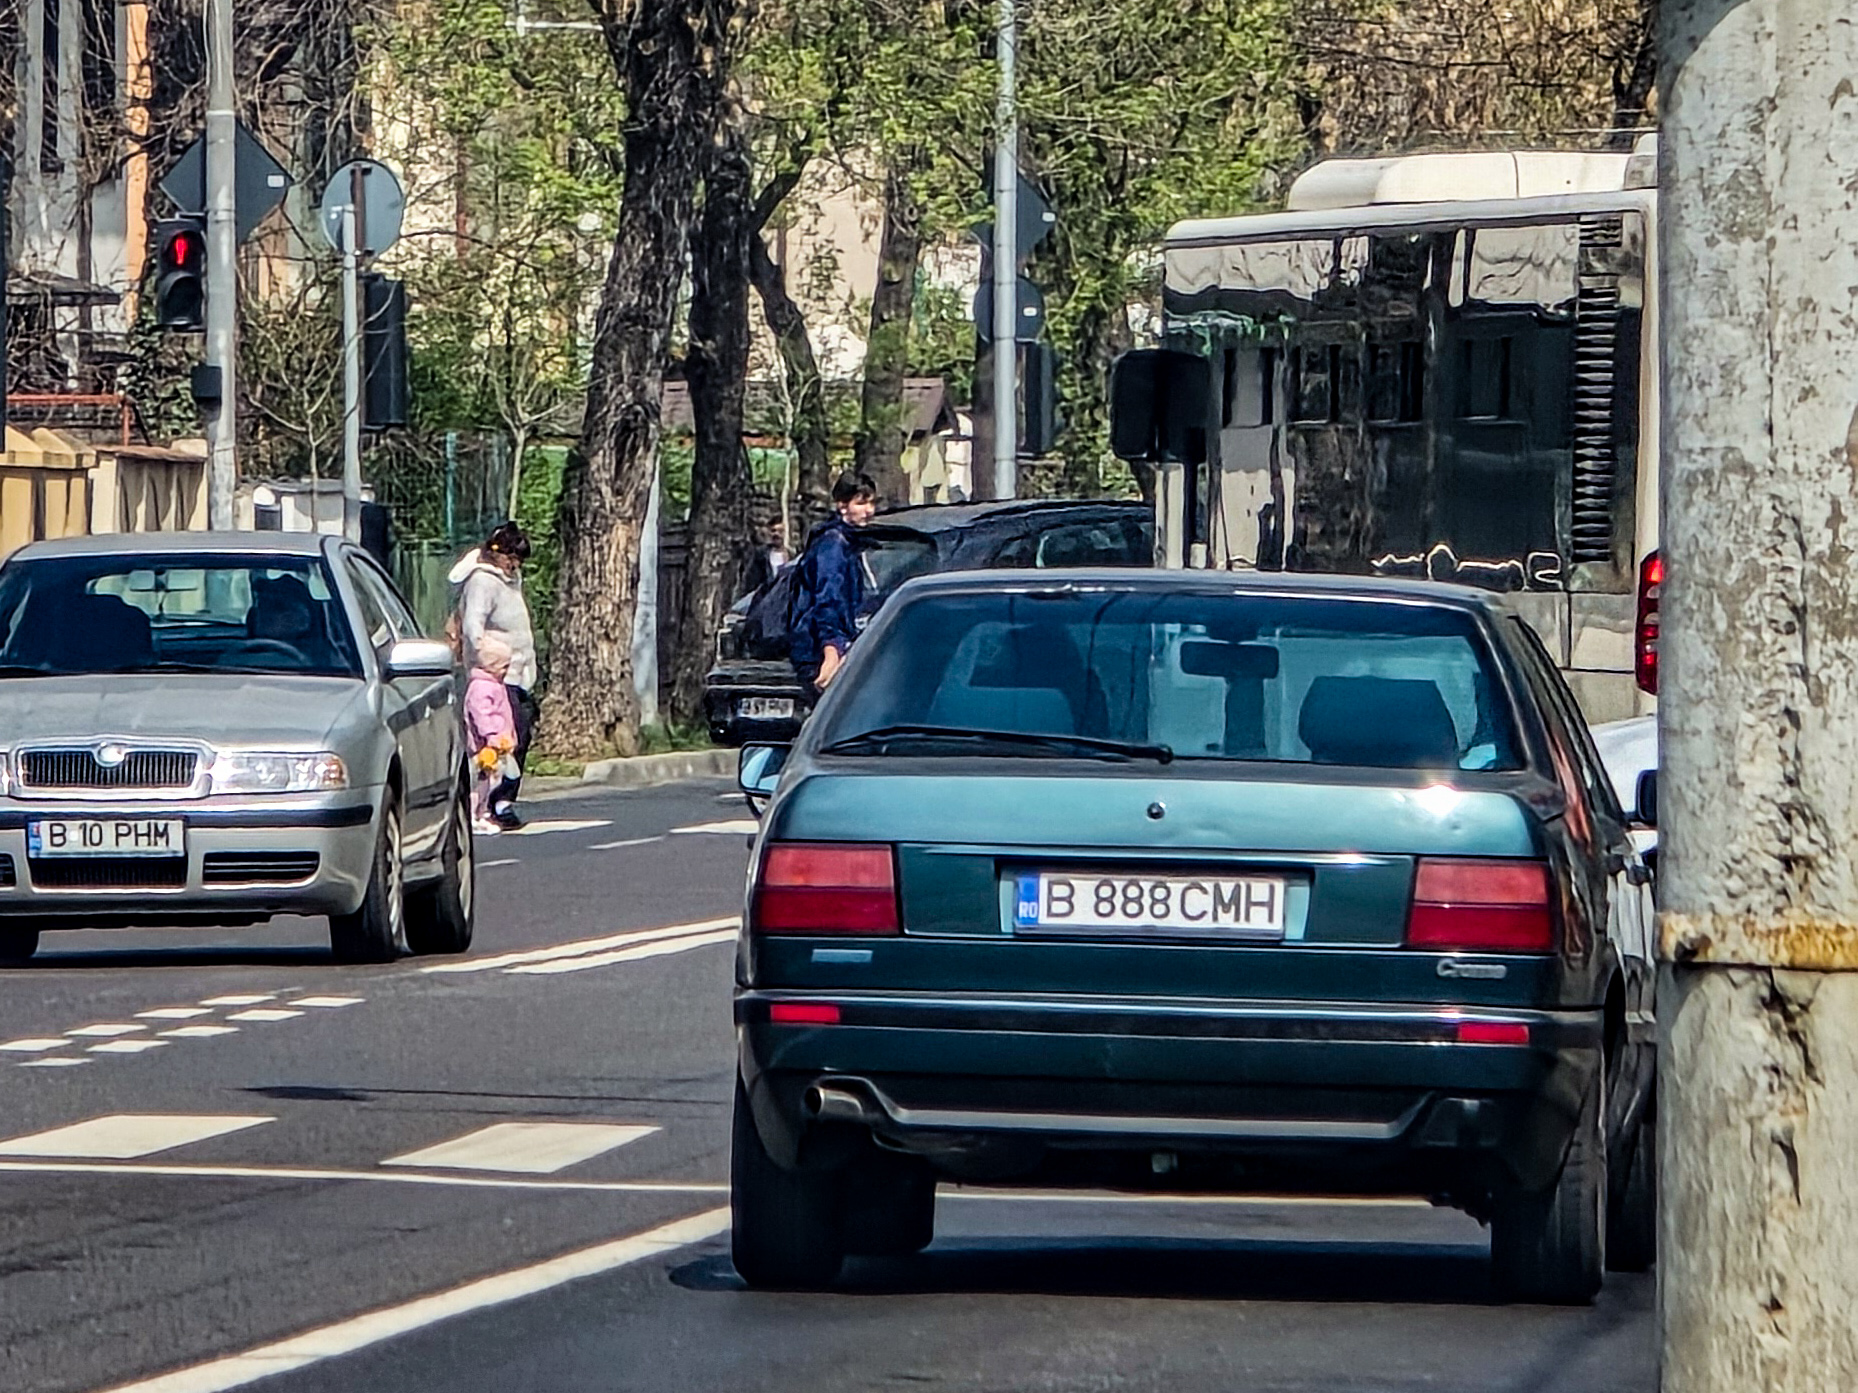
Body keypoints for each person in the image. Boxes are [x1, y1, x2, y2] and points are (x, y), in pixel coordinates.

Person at [456, 522, 538, 830]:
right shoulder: (483, 582)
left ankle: (504, 799)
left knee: (520, 733)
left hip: (517, 671)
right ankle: (494, 802)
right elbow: (473, 628)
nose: (515, 565)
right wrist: (488, 659)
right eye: (512, 558)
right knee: (503, 738)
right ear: (498, 553)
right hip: (497, 675)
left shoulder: (510, 580)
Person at [790, 472, 877, 694]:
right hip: (818, 651)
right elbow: (828, 600)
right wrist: (832, 651)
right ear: (842, 505)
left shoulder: (848, 542)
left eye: (871, 503)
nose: (869, 511)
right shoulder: (833, 546)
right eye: (861, 503)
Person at [464, 633, 519, 834]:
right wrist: (491, 735)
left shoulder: (495, 685)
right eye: (503, 666)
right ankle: (473, 814)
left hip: (498, 743)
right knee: (479, 781)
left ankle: (483, 812)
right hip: (485, 745)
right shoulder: (481, 687)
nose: (506, 671)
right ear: (490, 665)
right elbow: (482, 715)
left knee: (491, 780)